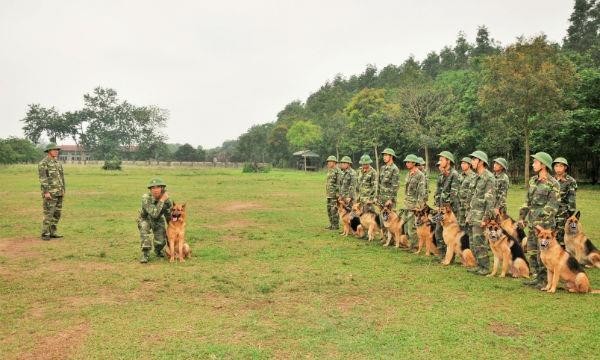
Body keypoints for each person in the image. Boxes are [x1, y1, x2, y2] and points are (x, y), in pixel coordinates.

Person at [520, 152, 560, 288]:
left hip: (545, 227)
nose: (533, 164)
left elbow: (553, 207)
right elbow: (527, 201)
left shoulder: (553, 183)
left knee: (544, 252)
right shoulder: (532, 181)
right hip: (532, 224)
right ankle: (536, 277)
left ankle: (544, 280)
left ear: (543, 165)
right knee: (532, 251)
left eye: (535, 162)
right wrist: (522, 217)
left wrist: (539, 222)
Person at [466, 150, 496, 275]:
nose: (471, 162)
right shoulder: (475, 177)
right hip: (473, 214)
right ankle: (479, 265)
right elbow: (471, 196)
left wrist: (486, 218)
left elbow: (490, 200)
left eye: (474, 159)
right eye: (472, 159)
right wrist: (468, 213)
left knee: (480, 242)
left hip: (481, 216)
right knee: (473, 242)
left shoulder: (489, 177)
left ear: (481, 162)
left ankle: (484, 267)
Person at [138, 177, 173, 263]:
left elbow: (169, 216)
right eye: (153, 188)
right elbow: (154, 214)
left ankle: (158, 251)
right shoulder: (146, 198)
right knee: (144, 228)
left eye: (158, 187)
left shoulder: (167, 200)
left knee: (161, 241)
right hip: (145, 218)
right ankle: (145, 254)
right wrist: (162, 200)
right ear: (150, 190)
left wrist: (172, 229)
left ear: (162, 188)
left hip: (158, 219)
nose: (155, 190)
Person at [433, 151, 460, 257]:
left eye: (441, 159)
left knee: (451, 234)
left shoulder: (454, 174)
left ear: (448, 161)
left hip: (450, 211)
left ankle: (450, 257)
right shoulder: (441, 175)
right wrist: (437, 203)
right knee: (438, 232)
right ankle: (442, 254)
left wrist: (446, 207)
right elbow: (438, 191)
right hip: (441, 209)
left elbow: (454, 193)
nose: (439, 162)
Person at [38, 143, 66, 240]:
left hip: (59, 192)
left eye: (57, 150)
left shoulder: (57, 163)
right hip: (50, 193)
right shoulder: (43, 163)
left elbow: (61, 177)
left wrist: (63, 189)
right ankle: (45, 233)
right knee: (49, 213)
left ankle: (53, 232)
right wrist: (46, 192)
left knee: (57, 213)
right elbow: (43, 179)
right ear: (49, 151)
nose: (57, 151)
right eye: (54, 150)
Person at [403, 154, 427, 250]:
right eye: (406, 162)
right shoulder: (408, 173)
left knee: (411, 226)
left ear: (414, 163)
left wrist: (418, 205)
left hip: (414, 205)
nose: (407, 164)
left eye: (408, 162)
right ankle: (410, 244)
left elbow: (421, 192)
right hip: (407, 203)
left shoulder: (420, 175)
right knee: (405, 225)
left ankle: (415, 245)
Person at [553, 157, 577, 246]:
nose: (558, 168)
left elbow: (572, 200)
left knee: (561, 238)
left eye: (561, 166)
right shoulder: (551, 179)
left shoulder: (570, 181)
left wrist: (569, 215)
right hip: (550, 213)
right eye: (556, 166)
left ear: (565, 167)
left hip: (563, 214)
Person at [457, 157, 476, 233]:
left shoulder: (473, 176)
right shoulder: (460, 175)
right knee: (460, 224)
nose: (462, 165)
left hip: (468, 205)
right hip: (460, 204)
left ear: (469, 165)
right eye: (461, 163)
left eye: (464, 163)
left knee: (469, 225)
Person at [325, 156, 343, 230]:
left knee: (334, 210)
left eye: (330, 161)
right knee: (329, 209)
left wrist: (338, 194)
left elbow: (339, 183)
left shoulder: (338, 171)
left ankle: (335, 225)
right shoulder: (330, 170)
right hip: (329, 194)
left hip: (334, 195)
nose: (328, 163)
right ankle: (331, 224)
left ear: (334, 162)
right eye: (328, 162)